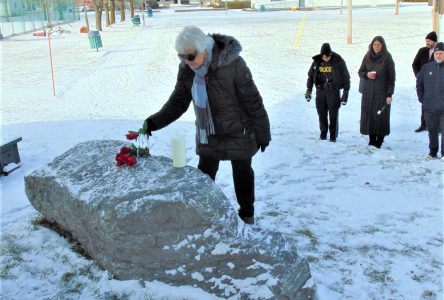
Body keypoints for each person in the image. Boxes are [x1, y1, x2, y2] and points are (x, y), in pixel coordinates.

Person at [142, 26, 271, 225]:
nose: (187, 62)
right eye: (181, 57)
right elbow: (178, 102)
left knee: (243, 174)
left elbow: (252, 100)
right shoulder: (187, 69)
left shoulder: (233, 64)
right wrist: (153, 122)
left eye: (190, 56)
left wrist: (263, 132)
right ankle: (200, 214)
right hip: (208, 133)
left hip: (240, 131)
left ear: (204, 50)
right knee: (203, 176)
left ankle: (247, 215)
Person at [305, 43, 350, 142]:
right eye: (324, 57)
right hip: (320, 91)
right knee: (321, 113)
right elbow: (310, 76)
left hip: (333, 92)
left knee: (333, 115)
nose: (326, 59)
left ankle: (333, 136)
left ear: (331, 54)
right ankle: (323, 134)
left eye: (328, 56)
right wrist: (308, 90)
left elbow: (346, 77)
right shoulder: (317, 61)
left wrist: (345, 93)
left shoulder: (338, 60)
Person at [358, 36, 396, 149]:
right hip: (368, 92)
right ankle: (371, 139)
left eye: (379, 44)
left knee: (381, 116)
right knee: (369, 115)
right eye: (374, 44)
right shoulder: (367, 56)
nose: (376, 46)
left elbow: (391, 78)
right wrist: (367, 75)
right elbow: (360, 71)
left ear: (383, 45)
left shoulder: (387, 58)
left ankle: (379, 140)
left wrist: (389, 94)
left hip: (382, 92)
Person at [416, 42, 444, 160]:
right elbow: (419, 84)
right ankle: (433, 152)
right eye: (436, 53)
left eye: (441, 53)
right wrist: (423, 99)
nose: (438, 56)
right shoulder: (427, 68)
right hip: (429, 107)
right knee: (431, 131)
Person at [412, 31, 437, 132]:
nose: (427, 43)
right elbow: (415, 64)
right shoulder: (422, 51)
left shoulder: (440, 51)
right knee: (424, 103)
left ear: (434, 41)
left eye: (429, 41)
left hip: (437, 82)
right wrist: (418, 76)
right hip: (424, 83)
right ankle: (424, 124)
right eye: (426, 41)